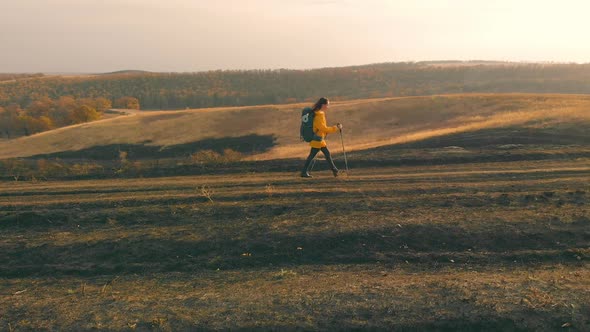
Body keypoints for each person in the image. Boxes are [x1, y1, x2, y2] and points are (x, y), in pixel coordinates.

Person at [301, 97, 342, 178]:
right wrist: (336, 128)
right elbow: (323, 128)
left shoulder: (319, 113)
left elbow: (323, 129)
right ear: (323, 105)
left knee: (326, 154)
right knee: (313, 156)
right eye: (327, 105)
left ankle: (334, 170)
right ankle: (304, 172)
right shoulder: (318, 115)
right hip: (317, 140)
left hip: (319, 139)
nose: (328, 107)